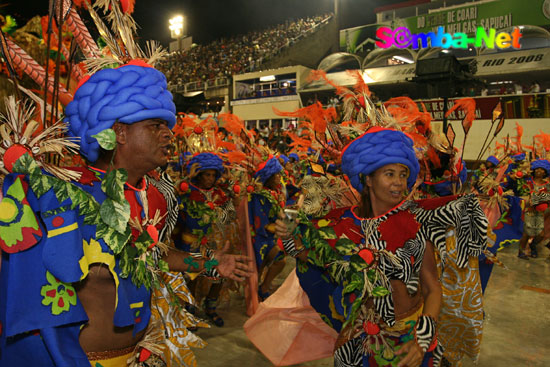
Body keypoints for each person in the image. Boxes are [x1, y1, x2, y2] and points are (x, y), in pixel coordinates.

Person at [0, 62, 251, 366]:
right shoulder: (61, 196)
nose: (168, 134)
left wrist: (210, 263)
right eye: (154, 126)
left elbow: (149, 256)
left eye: (167, 126)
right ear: (118, 133)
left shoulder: (153, 197)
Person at [275, 127, 489, 366]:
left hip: (408, 342)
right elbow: (313, 258)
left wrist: (423, 337)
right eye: (390, 174)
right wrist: (288, 237)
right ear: (368, 179)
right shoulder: (340, 224)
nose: (399, 182)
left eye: (403, 174)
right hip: (357, 343)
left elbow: (432, 289)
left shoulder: (414, 222)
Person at [173, 152, 236, 326]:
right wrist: (188, 177)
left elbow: (232, 210)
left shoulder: (218, 193)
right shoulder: (188, 190)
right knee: (192, 276)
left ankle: (211, 308)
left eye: (213, 174)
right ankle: (189, 311)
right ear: (199, 174)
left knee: (219, 276)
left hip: (211, 244)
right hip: (189, 243)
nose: (210, 178)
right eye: (206, 174)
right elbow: (173, 197)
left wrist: (228, 181)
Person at [248, 156, 287, 301]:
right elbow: (260, 222)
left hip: (271, 237)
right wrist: (280, 227)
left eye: (279, 173)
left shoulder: (276, 193)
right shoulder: (260, 196)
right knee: (262, 267)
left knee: (274, 263)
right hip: (260, 238)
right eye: (275, 174)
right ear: (268, 177)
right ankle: (257, 293)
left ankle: (263, 288)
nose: (279, 177)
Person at [517, 159, 550, 259]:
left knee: (541, 234)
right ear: (534, 170)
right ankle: (521, 251)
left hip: (540, 212)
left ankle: (533, 244)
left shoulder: (547, 185)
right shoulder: (527, 181)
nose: (539, 171)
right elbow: (522, 194)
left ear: (545, 172)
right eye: (537, 169)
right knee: (526, 233)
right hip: (528, 210)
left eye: (542, 169)